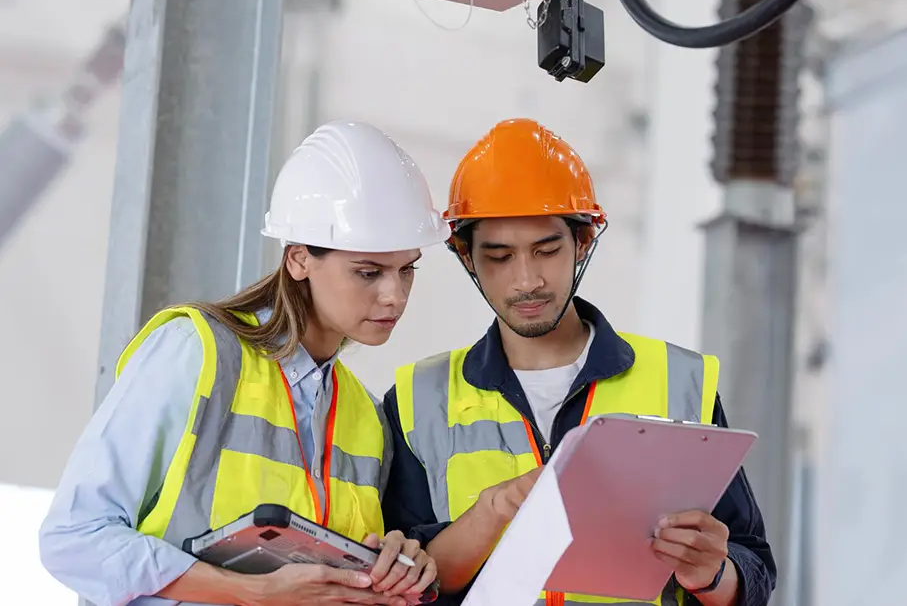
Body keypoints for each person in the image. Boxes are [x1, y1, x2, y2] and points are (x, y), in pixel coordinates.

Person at [39, 120, 451, 606]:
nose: (395, 295)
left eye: (407, 270)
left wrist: (395, 564)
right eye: (368, 272)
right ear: (298, 259)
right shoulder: (196, 353)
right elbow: (74, 538)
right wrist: (250, 592)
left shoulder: (366, 416)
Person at [382, 118, 777, 606]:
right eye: (500, 258)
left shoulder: (680, 382)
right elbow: (400, 583)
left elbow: (754, 570)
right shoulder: (418, 401)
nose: (526, 281)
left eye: (546, 250)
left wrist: (713, 574)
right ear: (466, 256)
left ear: (583, 243)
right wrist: (488, 515)